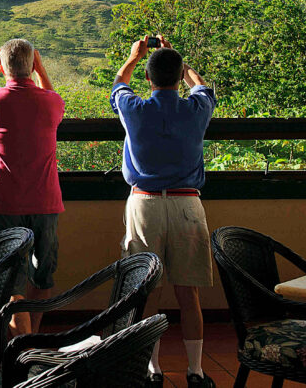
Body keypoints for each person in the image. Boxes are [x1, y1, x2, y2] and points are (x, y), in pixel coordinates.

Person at [111, 35, 217, 388]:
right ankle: (196, 372)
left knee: (148, 292)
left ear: (148, 79)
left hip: (145, 203)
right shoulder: (196, 110)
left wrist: (133, 56)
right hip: (188, 203)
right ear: (178, 76)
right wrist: (174, 59)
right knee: (189, 294)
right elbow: (201, 86)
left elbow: (118, 85)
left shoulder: (135, 110)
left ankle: (152, 370)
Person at [0, 38, 64, 335]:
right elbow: (52, 95)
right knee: (42, 276)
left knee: (9, 280)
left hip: (3, 202)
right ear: (33, 65)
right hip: (45, 202)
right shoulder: (50, 102)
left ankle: (22, 346)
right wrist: (42, 70)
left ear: (3, 65)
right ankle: (30, 342)